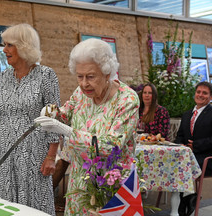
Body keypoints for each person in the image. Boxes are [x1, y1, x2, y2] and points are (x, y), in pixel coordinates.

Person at [35, 38, 140, 215]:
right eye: (80, 76)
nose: (84, 84)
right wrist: (51, 111)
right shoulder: (81, 93)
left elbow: (110, 145)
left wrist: (66, 131)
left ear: (107, 73)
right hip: (79, 182)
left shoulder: (127, 100)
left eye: (91, 76)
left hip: (110, 185)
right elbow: (66, 112)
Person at [0, 23, 60, 215]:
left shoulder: (46, 75)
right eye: (5, 45)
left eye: (9, 45)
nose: (4, 50)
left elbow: (54, 119)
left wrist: (51, 156)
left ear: (24, 46)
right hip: (5, 153)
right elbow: (1, 117)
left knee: (33, 206)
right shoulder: (3, 77)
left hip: (33, 155)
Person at [175, 81, 212, 175]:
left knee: (180, 167)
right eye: (198, 92)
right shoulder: (187, 114)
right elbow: (179, 136)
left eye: (205, 93)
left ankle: (186, 190)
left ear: (211, 97)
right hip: (185, 155)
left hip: (205, 158)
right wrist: (180, 144)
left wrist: (195, 145)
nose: (200, 95)